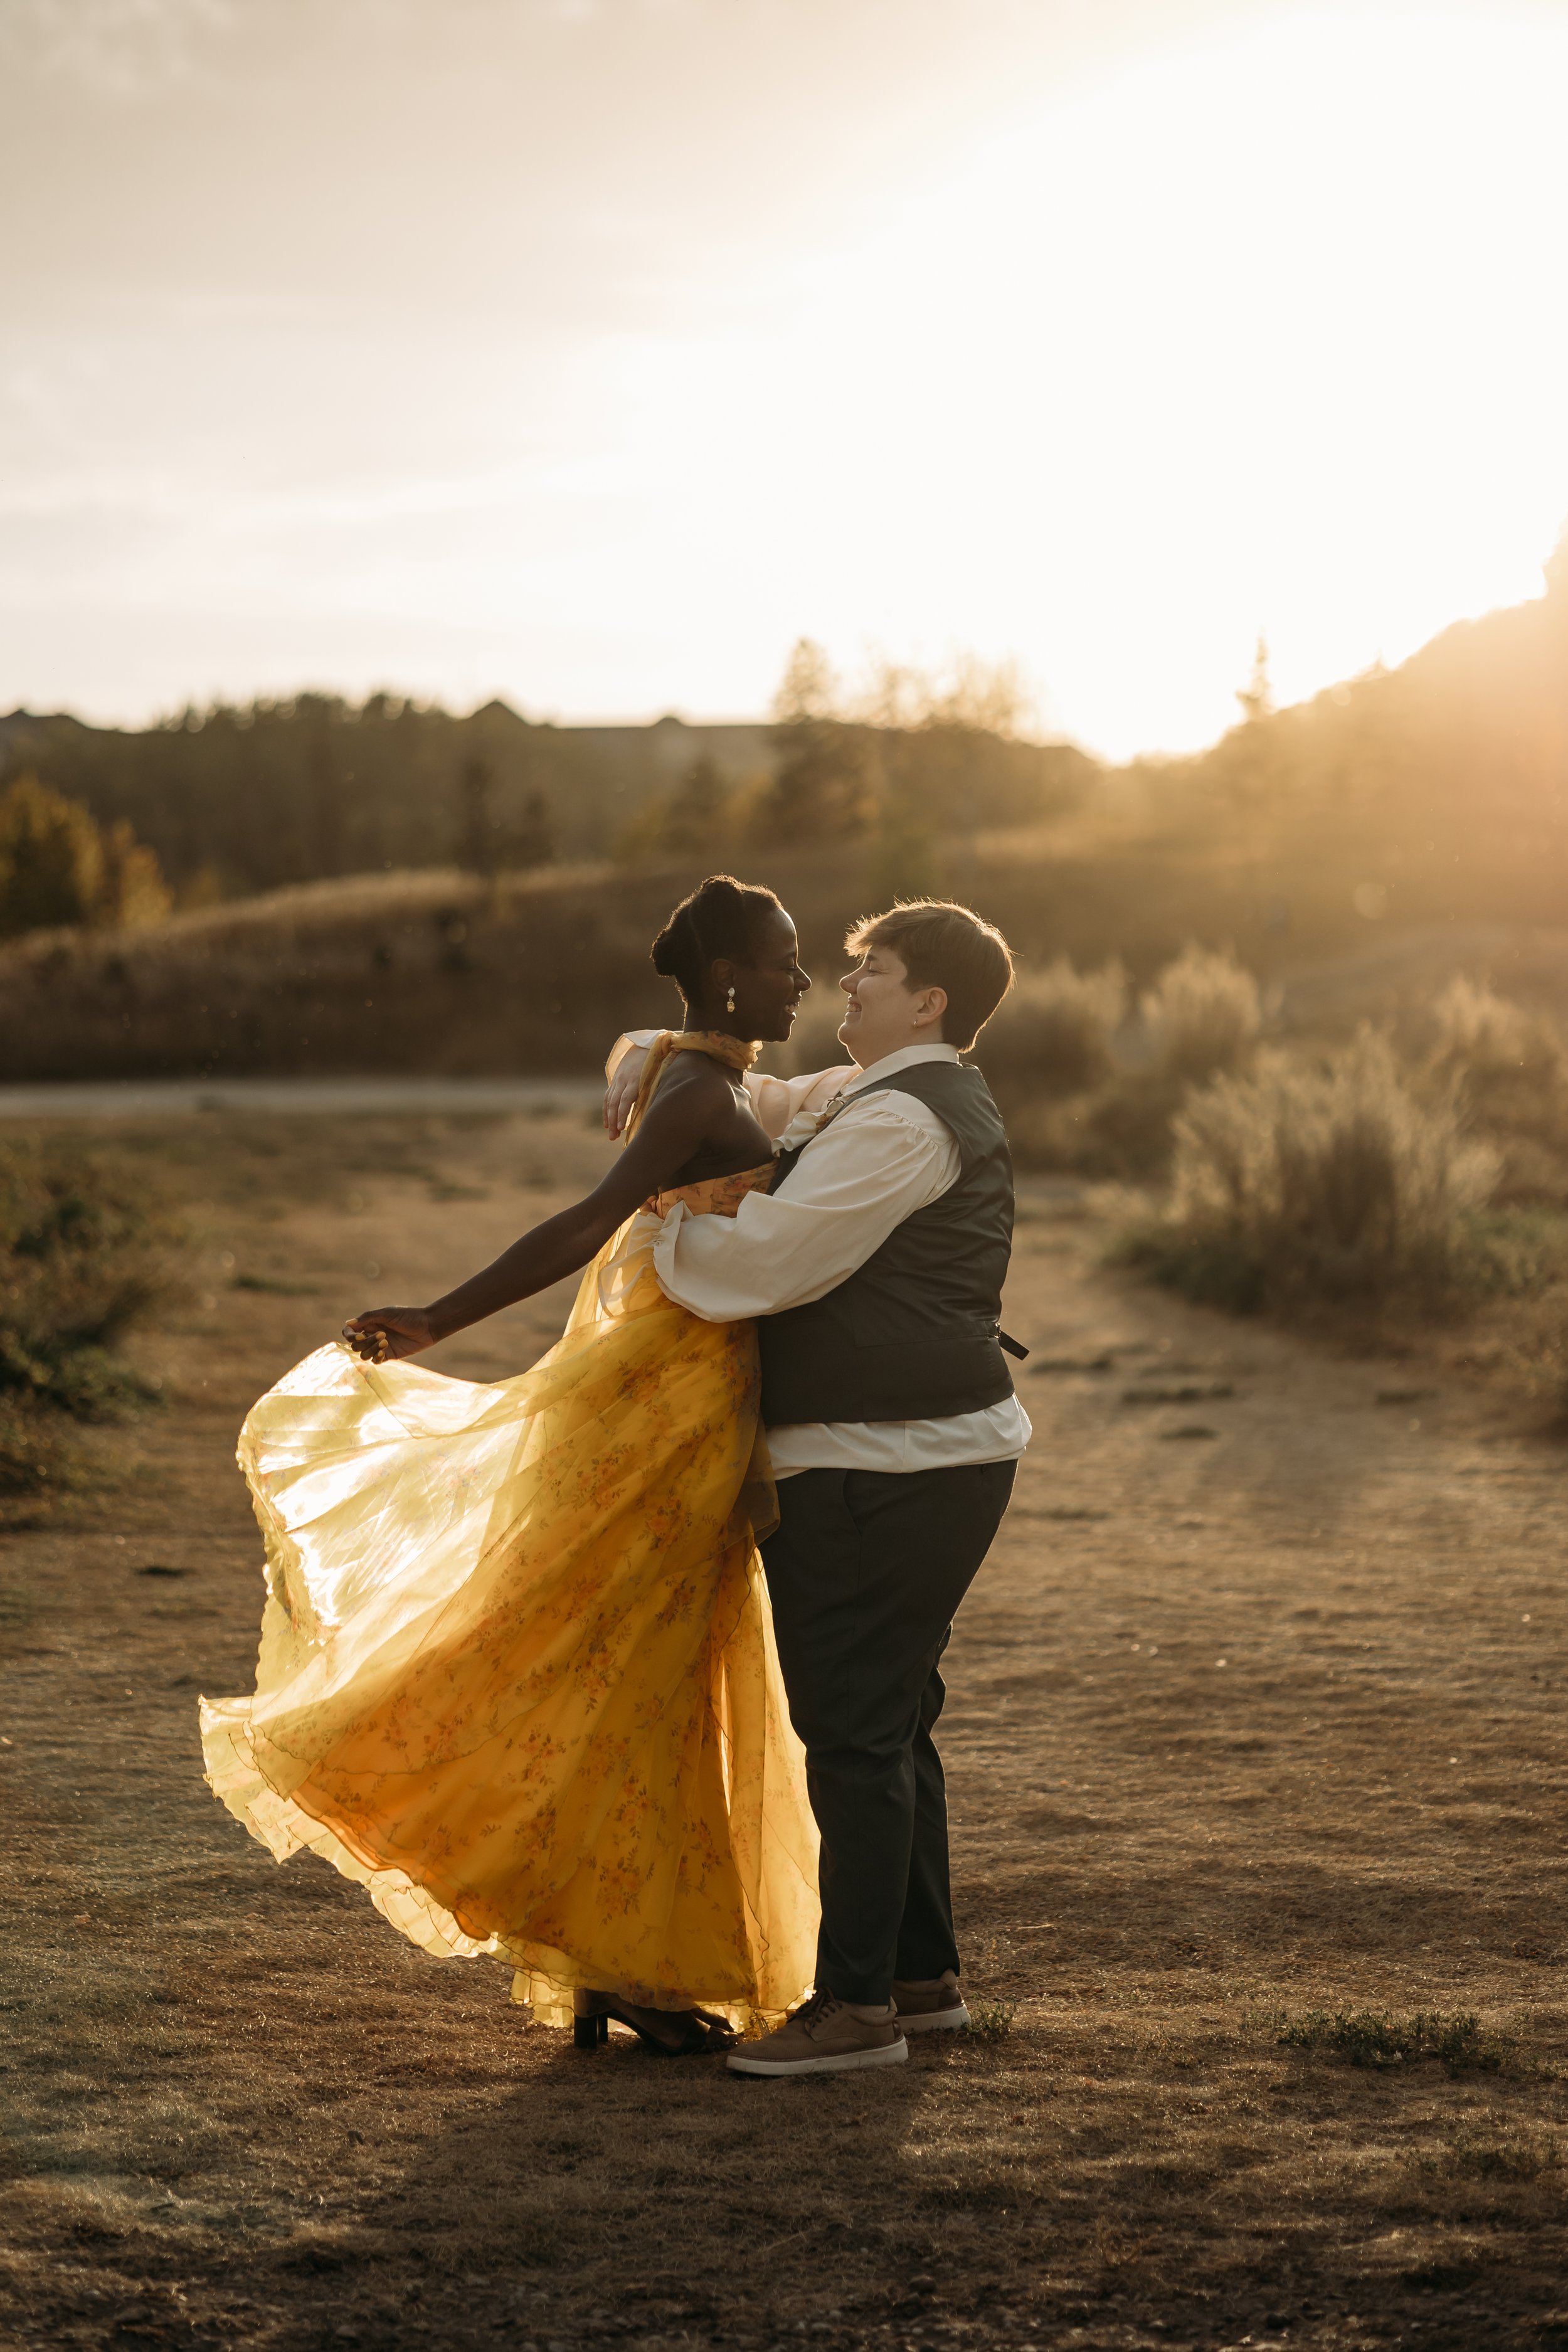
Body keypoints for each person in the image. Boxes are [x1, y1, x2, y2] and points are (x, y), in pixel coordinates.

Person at [199, 875, 820, 2055]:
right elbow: (584, 1224)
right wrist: (440, 1317)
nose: (803, 981)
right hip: (664, 1409)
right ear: (734, 974)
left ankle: (603, 1958)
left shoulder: (696, 1068)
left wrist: (642, 1047)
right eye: (786, 959)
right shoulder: (695, 1090)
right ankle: (615, 1958)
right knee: (638, 1671)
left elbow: (668, 1055)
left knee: (641, 1669)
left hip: (686, 1397)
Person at [604, 898, 1028, 2076]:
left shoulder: (904, 1123)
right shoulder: (881, 1093)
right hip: (907, 1447)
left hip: (887, 1458)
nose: (847, 986)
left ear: (930, 999)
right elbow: (767, 1104)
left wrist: (652, 1244)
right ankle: (919, 1975)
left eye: (870, 971)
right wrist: (653, 1049)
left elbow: (783, 1254)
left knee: (851, 1729)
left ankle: (854, 2013)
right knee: (895, 1716)